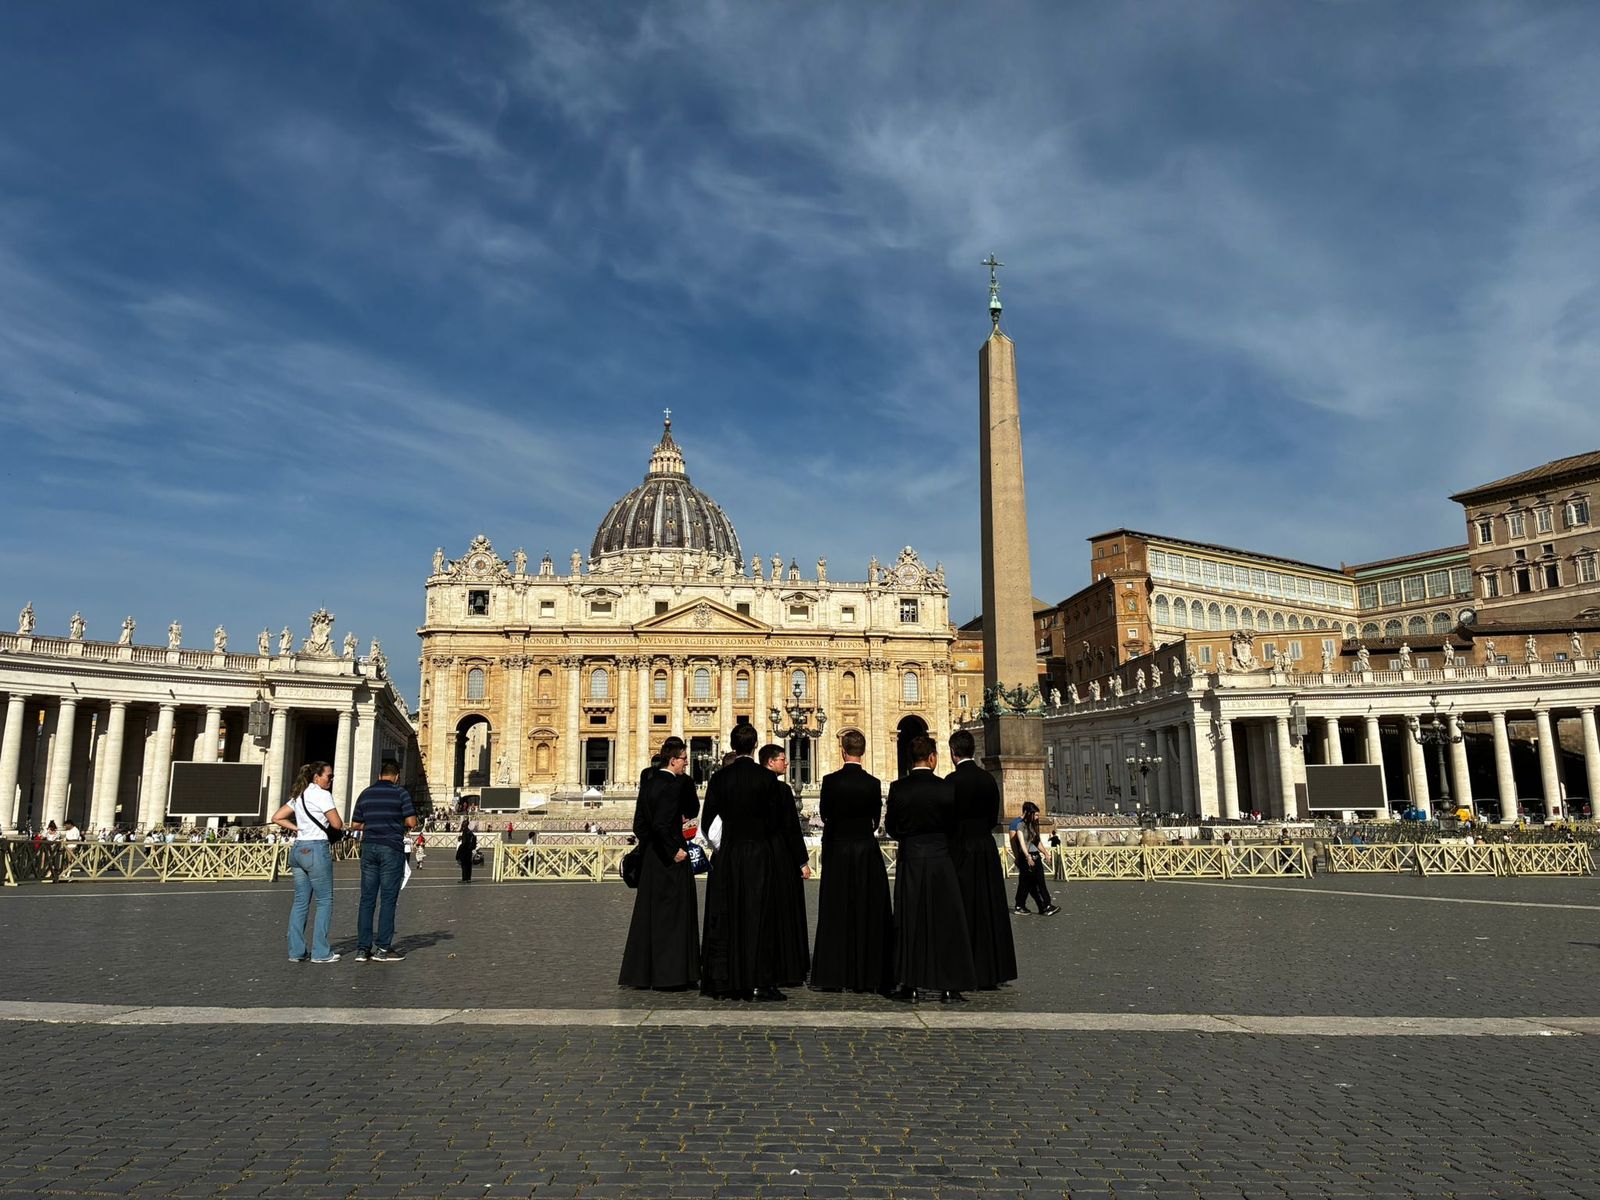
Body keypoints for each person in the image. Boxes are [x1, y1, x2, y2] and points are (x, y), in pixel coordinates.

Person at [699, 722, 791, 1001]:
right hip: (758, 854)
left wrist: (724, 845)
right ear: (754, 745)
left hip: (728, 854)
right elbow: (775, 823)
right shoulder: (767, 780)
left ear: (732, 745)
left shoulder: (719, 779)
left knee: (726, 916)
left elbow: (707, 824)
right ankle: (761, 982)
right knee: (760, 917)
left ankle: (724, 980)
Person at [884, 734, 976, 1002]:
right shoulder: (946, 788)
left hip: (911, 858)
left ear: (910, 759)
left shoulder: (898, 788)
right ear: (933, 758)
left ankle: (910, 985)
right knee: (946, 921)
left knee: (909, 920)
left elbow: (890, 827)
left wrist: (908, 837)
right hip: (939, 860)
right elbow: (954, 826)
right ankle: (948, 986)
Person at [809, 729, 894, 993]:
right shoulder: (872, 783)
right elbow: (873, 819)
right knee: (867, 909)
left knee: (836, 911)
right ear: (863, 752)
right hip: (865, 851)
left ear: (843, 751)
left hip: (837, 850)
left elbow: (824, 814)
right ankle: (867, 974)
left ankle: (834, 974)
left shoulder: (830, 781)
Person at [619, 737, 701, 989]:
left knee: (648, 917)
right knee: (673, 917)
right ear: (674, 760)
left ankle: (641, 974)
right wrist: (673, 850)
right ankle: (670, 976)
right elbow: (662, 824)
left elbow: (640, 826)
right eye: (685, 759)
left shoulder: (648, 783)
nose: (687, 764)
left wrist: (652, 847)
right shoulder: (674, 786)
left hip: (651, 858)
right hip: (670, 858)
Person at [947, 730, 1018, 989]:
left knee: (963, 908)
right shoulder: (989, 780)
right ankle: (992, 969)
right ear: (973, 751)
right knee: (989, 908)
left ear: (953, 752)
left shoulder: (951, 781)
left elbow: (948, 818)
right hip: (985, 847)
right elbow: (992, 817)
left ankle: (964, 966)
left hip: (960, 847)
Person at [272, 762, 344, 963]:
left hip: (298, 850)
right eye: (328, 776)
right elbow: (337, 824)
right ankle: (321, 952)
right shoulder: (322, 795)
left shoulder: (299, 795)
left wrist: (297, 829)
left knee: (301, 901)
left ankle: (296, 951)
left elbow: (277, 817)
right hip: (316, 849)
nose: (331, 779)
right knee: (324, 901)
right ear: (316, 777)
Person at [347, 759, 417, 963]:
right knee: (388, 899)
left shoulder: (366, 793)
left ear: (379, 776)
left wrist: (373, 822)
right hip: (390, 848)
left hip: (369, 848)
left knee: (367, 899)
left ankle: (362, 949)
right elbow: (411, 822)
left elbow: (355, 824)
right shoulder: (400, 793)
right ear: (396, 777)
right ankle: (383, 949)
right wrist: (395, 821)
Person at [758, 743, 812, 987]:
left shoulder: (752, 787)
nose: (787, 763)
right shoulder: (781, 790)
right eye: (782, 759)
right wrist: (802, 860)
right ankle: (788, 966)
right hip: (780, 855)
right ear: (770, 762)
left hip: (757, 854)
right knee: (785, 910)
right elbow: (791, 828)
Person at [1008, 802, 1059, 916]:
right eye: (1035, 815)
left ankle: (1039, 906)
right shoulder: (1016, 824)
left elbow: (1036, 841)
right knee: (1029, 883)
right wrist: (1018, 857)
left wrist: (1045, 853)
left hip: (1034, 855)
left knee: (1029, 883)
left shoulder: (1031, 824)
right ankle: (1041, 906)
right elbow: (1015, 843)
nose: (1037, 817)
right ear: (1028, 812)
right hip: (1026, 857)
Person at [455, 818, 478, 882]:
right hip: (469, 850)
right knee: (468, 865)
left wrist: (459, 852)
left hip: (465, 850)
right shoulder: (470, 832)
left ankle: (464, 878)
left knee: (464, 865)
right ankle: (468, 878)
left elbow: (464, 843)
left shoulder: (465, 832)